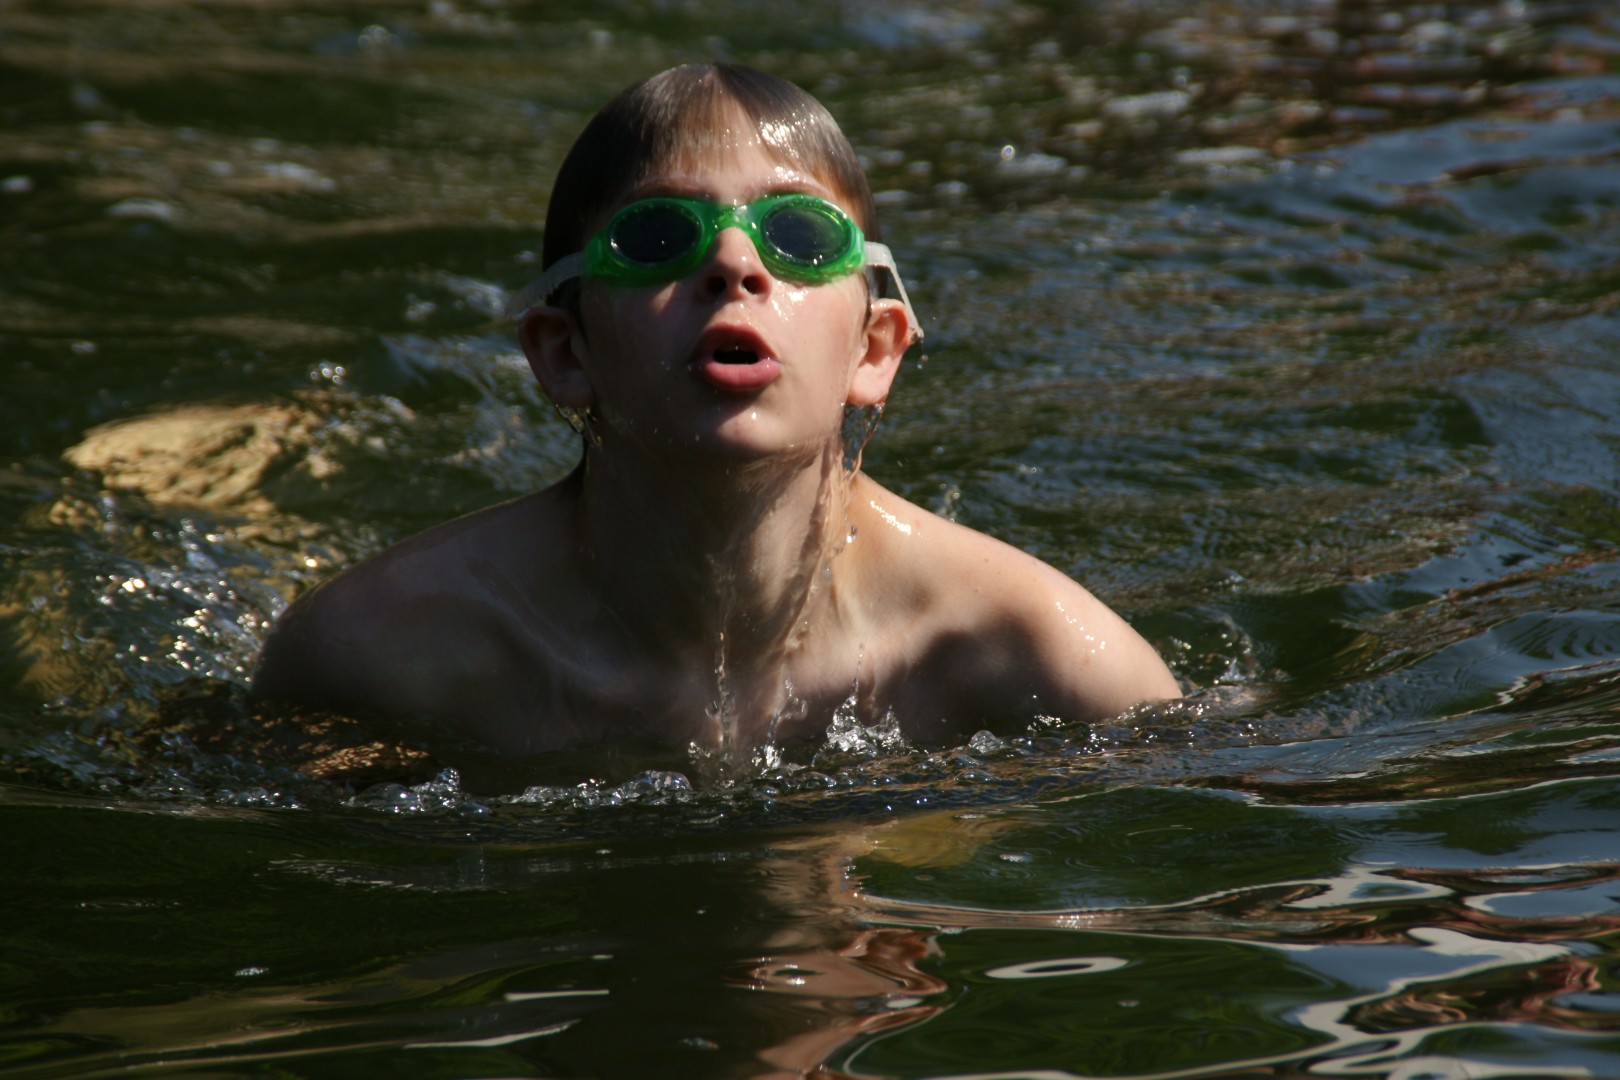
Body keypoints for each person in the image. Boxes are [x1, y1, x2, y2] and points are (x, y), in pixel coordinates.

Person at [252, 63, 1179, 786]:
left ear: (875, 349)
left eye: (801, 239)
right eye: (658, 237)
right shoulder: (376, 656)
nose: (735, 261)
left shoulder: (1038, 654)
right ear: (563, 352)